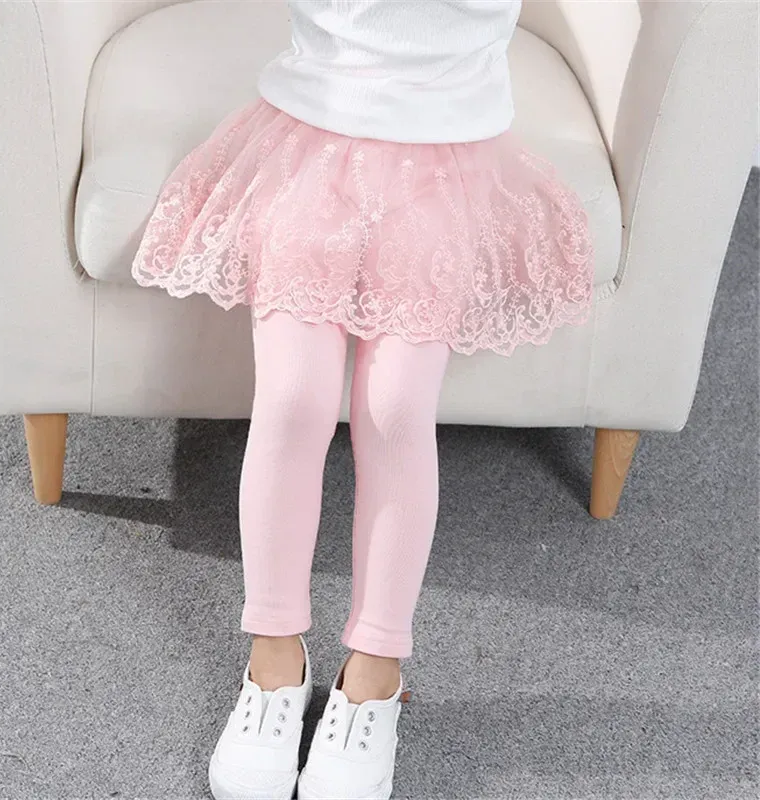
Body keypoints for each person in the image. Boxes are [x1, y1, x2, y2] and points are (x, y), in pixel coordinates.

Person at [133, 1, 593, 797]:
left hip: (448, 158)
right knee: (293, 399)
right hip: (312, 141)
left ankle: (375, 671)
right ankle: (273, 658)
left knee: (396, 411)